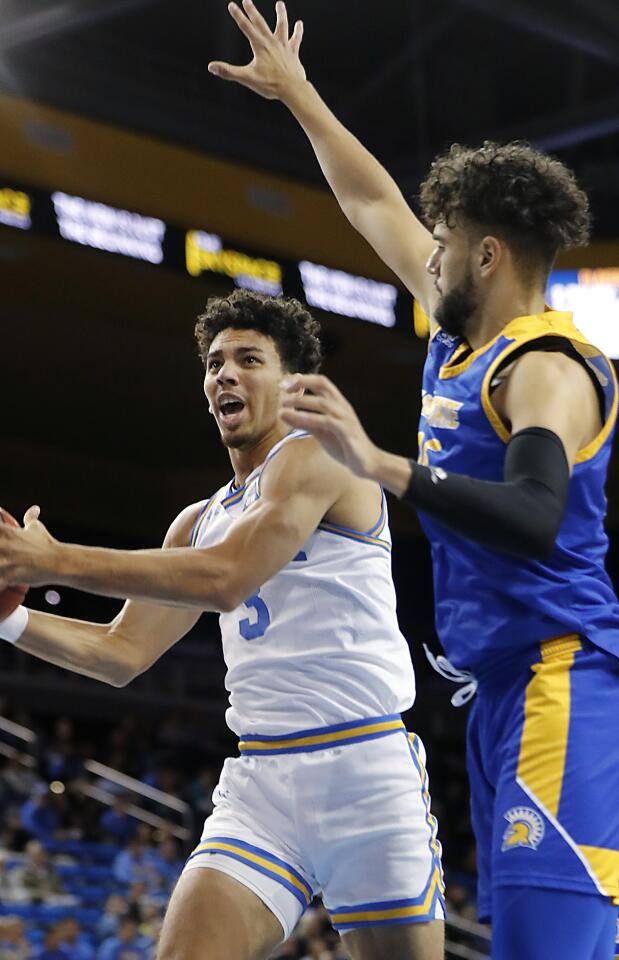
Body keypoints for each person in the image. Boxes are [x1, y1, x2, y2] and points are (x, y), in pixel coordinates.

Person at [204, 4, 619, 958]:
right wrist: (302, 97)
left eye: (439, 243)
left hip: (562, 681)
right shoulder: (457, 336)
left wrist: (382, 464)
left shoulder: (545, 368)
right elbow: (369, 201)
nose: (419, 254)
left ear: (485, 255)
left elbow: (533, 512)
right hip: (496, 691)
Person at [0, 289, 444, 960]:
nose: (224, 374)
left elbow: (228, 578)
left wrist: (55, 559)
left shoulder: (320, 455)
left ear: (293, 384)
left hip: (365, 770)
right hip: (263, 780)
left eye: (247, 359)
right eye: (213, 363)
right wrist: (9, 620)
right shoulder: (196, 520)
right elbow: (120, 653)